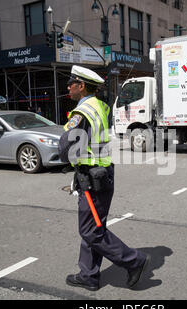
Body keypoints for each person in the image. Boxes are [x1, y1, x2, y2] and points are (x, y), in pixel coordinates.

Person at [58, 65, 150, 291]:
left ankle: (133, 261)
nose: (68, 86)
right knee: (93, 227)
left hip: (92, 178)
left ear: (81, 86)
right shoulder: (99, 106)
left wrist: (65, 156)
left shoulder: (82, 112)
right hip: (102, 173)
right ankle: (89, 276)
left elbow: (66, 146)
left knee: (91, 230)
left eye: (72, 83)